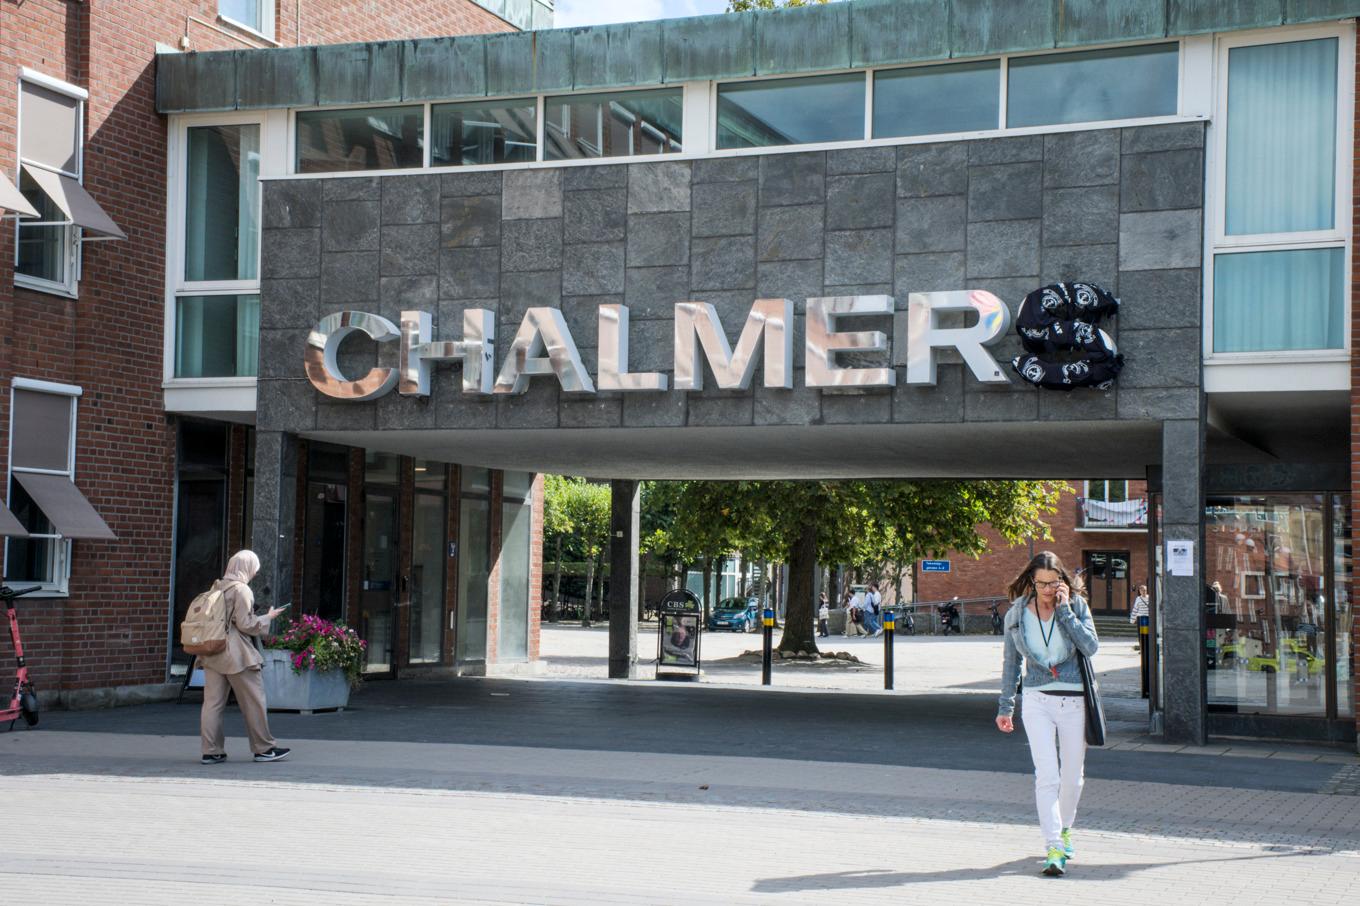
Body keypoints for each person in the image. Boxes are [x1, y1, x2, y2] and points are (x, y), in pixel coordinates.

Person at [995, 551, 1100, 877]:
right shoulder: (1016, 614)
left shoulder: (1077, 606)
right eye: (1040, 583)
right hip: (1037, 699)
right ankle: (1053, 845)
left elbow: (1091, 646)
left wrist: (1066, 611)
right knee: (1047, 776)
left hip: (1074, 701)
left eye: (1052, 583)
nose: (1046, 590)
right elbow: (1011, 663)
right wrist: (1005, 706)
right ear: (1031, 580)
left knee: (1072, 778)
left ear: (1062, 581)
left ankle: (1065, 829)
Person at [198, 551, 291, 765]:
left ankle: (211, 751)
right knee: (253, 701)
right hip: (237, 654)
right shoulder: (242, 590)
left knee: (212, 704)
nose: (255, 573)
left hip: (212, 651)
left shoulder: (217, 586)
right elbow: (246, 624)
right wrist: (267, 617)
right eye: (254, 569)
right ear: (247, 567)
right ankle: (264, 748)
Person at [1129, 584, 1150, 651]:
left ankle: (1146, 648)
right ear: (1140, 591)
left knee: (1147, 634)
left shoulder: (1150, 598)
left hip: (1148, 618)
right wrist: (1132, 620)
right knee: (1141, 634)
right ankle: (1142, 649)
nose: (1144, 592)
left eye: (1145, 590)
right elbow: (1135, 609)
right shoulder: (1138, 599)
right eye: (1142, 590)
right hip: (1140, 618)